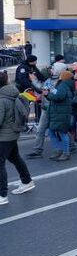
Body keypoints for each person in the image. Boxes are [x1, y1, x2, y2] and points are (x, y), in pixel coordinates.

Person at [0, 70, 35, 205]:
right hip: (12, 133)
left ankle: (2, 195)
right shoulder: (12, 92)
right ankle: (27, 181)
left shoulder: (1, 99)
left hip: (4, 136)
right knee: (14, 157)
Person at [45, 70, 75, 161]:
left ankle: (65, 152)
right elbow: (58, 94)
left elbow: (59, 96)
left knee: (61, 132)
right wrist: (50, 92)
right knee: (52, 131)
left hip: (60, 112)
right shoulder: (65, 85)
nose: (59, 76)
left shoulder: (63, 85)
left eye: (61, 75)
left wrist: (48, 95)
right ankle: (59, 150)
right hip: (59, 112)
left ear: (64, 77)